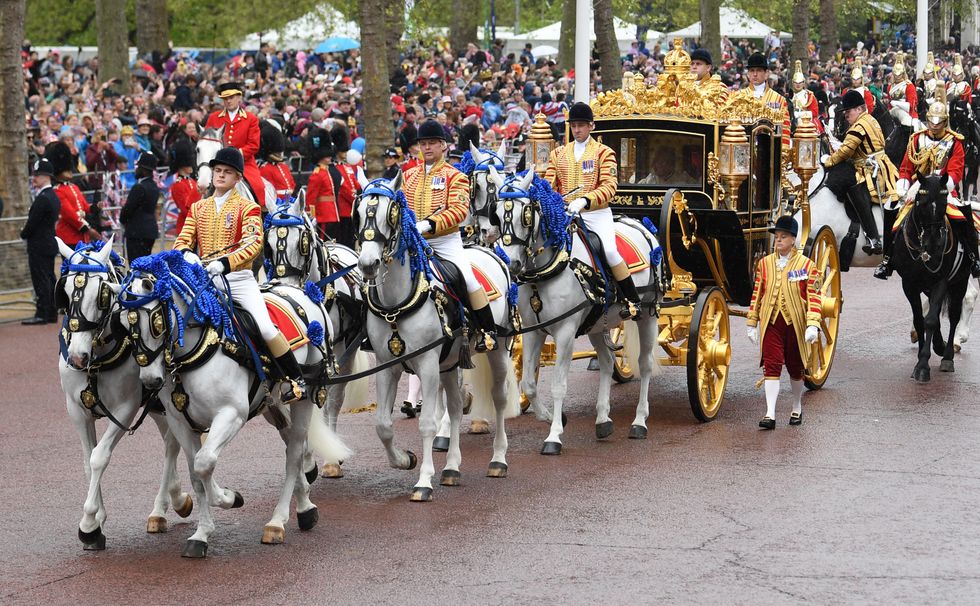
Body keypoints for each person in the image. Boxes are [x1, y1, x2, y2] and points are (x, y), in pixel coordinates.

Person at [174, 147, 307, 403]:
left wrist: (225, 263)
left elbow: (253, 243)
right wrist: (187, 254)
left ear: (238, 178)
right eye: (217, 170)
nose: (220, 175)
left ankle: (294, 379)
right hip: (204, 281)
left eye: (227, 172)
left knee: (265, 328)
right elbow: (182, 240)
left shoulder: (248, 208)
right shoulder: (198, 208)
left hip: (238, 281)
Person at [405, 119, 497, 351]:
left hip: (444, 241)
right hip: (413, 240)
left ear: (443, 145)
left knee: (469, 279)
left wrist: (429, 224)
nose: (427, 148)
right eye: (423, 143)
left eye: (432, 143)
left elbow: (459, 211)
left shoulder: (455, 176)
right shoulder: (408, 176)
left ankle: (487, 331)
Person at [544, 102, 639, 319]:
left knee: (610, 251)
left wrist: (586, 200)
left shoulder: (604, 153)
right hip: (566, 214)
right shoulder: (558, 154)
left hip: (596, 214)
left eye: (581, 125)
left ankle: (632, 300)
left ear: (591, 126)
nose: (577, 130)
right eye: (574, 126)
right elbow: (549, 184)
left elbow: (610, 186)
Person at [880, 93, 980, 279]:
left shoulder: (954, 141)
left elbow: (955, 172)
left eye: (938, 122)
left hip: (944, 189)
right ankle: (887, 260)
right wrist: (903, 186)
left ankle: (974, 258)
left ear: (944, 121)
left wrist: (942, 186)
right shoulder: (916, 139)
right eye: (932, 121)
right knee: (891, 209)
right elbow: (906, 168)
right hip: (917, 189)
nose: (934, 125)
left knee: (962, 215)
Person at [746, 216, 822, 429]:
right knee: (772, 364)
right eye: (777, 236)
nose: (778, 240)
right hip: (771, 322)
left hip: (795, 324)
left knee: (795, 367)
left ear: (793, 239)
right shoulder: (764, 264)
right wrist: (752, 322)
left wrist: (813, 324)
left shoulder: (807, 266)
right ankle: (770, 413)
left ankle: (796, 406)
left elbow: (814, 296)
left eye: (783, 236)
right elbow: (757, 294)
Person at [821, 89, 896, 256]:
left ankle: (873, 238)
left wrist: (828, 161)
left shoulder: (859, 126)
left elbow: (845, 152)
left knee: (850, 185)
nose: (846, 115)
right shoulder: (870, 119)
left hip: (870, 170)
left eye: (848, 111)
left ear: (859, 109)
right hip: (881, 164)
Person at [205, 82, 265, 203]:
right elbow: (206, 142)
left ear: (239, 97)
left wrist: (236, 154)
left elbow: (254, 145)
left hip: (244, 164)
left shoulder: (251, 119)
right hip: (217, 164)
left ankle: (262, 212)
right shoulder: (214, 117)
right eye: (225, 98)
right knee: (199, 188)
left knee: (259, 188)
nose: (228, 101)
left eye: (231, 97)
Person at [20, 158, 61, 325]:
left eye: (37, 175)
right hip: (47, 242)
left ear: (46, 177)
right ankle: (51, 311)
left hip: (39, 244)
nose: (34, 178)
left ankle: (43, 312)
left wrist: (23, 233)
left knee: (41, 279)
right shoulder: (52, 196)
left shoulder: (43, 198)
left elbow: (33, 223)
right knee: (49, 278)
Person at [47, 141, 100, 248]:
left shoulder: (74, 187)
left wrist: (96, 207)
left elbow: (85, 207)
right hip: (69, 238)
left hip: (81, 237)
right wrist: (88, 230)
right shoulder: (58, 191)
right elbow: (70, 216)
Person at [120, 151, 160, 261]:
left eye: (138, 167)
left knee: (135, 264)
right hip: (149, 231)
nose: (136, 169)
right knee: (145, 264)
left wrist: (123, 219)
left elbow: (128, 209)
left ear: (143, 169)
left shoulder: (139, 187)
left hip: (136, 232)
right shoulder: (154, 187)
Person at [305, 126, 339, 241]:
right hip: (323, 215)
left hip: (331, 213)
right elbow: (311, 198)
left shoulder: (326, 171)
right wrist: (313, 216)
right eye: (326, 154)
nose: (329, 156)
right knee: (324, 242)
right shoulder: (317, 174)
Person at [169, 137, 200, 234]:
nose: (191, 166)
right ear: (182, 165)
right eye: (189, 164)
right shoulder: (178, 185)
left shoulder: (192, 181)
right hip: (185, 229)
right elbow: (186, 210)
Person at [258, 121, 296, 201]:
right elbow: (269, 191)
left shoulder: (284, 167)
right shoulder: (265, 169)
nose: (279, 154)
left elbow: (292, 185)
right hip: (277, 203)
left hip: (289, 201)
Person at [789, 60, 825, 135]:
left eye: (800, 83)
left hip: (807, 124)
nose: (798, 85)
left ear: (803, 82)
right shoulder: (788, 95)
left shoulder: (809, 96)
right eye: (796, 83)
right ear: (792, 83)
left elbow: (815, 113)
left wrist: (799, 114)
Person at [888, 51, 919, 128]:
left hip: (908, 114)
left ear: (903, 73)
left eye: (899, 74)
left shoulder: (909, 86)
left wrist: (895, 103)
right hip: (893, 113)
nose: (897, 76)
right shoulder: (890, 87)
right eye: (895, 74)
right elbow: (889, 104)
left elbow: (911, 105)